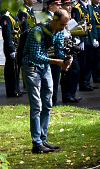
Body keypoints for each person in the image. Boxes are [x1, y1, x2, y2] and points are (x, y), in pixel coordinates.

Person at [22, 9, 72, 153]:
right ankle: (36, 143)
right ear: (54, 20)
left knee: (47, 103)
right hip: (31, 67)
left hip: (45, 67)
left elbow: (59, 50)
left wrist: (66, 59)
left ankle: (43, 139)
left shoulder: (60, 31)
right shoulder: (37, 32)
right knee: (37, 105)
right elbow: (35, 56)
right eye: (62, 24)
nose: (64, 28)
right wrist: (57, 62)